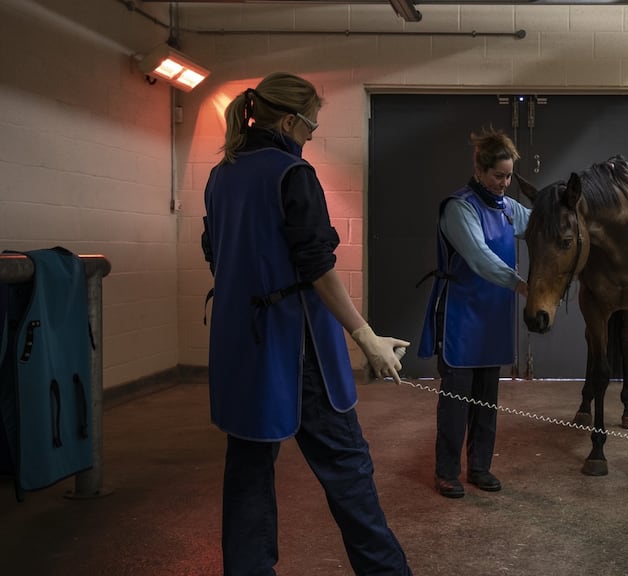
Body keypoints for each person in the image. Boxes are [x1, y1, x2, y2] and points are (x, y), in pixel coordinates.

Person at [201, 72, 412, 575]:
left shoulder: (219, 174)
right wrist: (366, 337)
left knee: (248, 473)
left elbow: (215, 252)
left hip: (239, 344)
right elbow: (316, 266)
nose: (315, 132)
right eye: (313, 122)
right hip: (298, 349)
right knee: (347, 467)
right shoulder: (292, 174)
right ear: (292, 119)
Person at [417, 128, 531, 499]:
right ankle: (447, 471)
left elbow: (540, 220)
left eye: (509, 175)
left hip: (493, 317)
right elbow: (480, 258)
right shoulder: (459, 207)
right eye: (498, 175)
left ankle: (480, 467)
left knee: (487, 398)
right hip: (461, 317)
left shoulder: (509, 208)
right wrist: (520, 284)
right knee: (456, 402)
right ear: (480, 170)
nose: (504, 182)